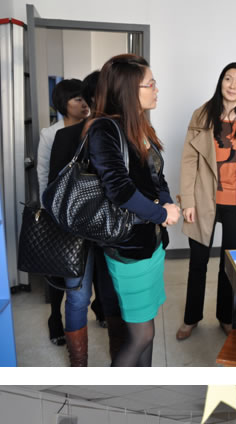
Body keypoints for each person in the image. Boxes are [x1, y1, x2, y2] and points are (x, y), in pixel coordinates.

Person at [85, 54, 180, 366]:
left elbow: (156, 176)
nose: (156, 89)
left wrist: (167, 203)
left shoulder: (140, 126)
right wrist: (162, 214)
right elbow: (120, 190)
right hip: (129, 247)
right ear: (128, 90)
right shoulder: (104, 129)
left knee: (147, 330)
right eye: (150, 84)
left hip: (150, 241)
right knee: (141, 336)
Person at [177, 62, 236, 341]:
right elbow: (189, 161)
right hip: (204, 199)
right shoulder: (201, 115)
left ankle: (226, 317)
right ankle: (191, 318)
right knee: (198, 262)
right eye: (228, 79)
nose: (232, 85)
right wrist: (187, 201)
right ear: (220, 82)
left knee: (229, 264)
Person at [48, 71, 124, 366]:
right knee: (87, 297)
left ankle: (94, 364)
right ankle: (90, 363)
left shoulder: (115, 134)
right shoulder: (70, 136)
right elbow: (55, 188)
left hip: (91, 229)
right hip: (98, 230)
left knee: (95, 297)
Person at [37, 78, 90, 347]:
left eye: (85, 98)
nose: (83, 104)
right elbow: (44, 173)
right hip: (58, 210)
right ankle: (55, 317)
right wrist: (49, 210)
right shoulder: (51, 133)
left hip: (87, 211)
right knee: (61, 266)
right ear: (62, 103)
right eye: (77, 99)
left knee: (90, 264)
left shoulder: (91, 128)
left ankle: (98, 309)